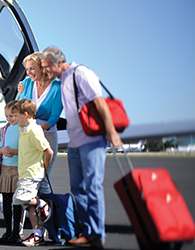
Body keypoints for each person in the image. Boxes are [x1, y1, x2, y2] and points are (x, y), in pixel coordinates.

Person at [40, 47, 122, 249]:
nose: (46, 71)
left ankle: (98, 236)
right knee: (77, 188)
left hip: (92, 141)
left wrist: (111, 132)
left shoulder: (81, 74)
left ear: (59, 63)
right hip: (75, 143)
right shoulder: (62, 80)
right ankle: (88, 231)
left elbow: (100, 103)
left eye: (47, 67)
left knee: (93, 186)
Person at [18, 52, 63, 195]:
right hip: (28, 135)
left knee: (43, 179)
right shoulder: (26, 83)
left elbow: (55, 115)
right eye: (27, 69)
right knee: (30, 178)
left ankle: (49, 213)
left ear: (42, 68)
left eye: (32, 68)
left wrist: (41, 128)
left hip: (47, 134)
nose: (29, 72)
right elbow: (22, 108)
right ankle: (33, 214)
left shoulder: (57, 88)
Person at [12, 99, 54, 247]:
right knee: (29, 207)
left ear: (26, 114)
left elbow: (49, 151)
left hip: (31, 174)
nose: (15, 119)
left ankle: (42, 204)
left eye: (17, 116)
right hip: (25, 173)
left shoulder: (35, 131)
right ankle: (37, 235)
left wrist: (45, 168)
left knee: (19, 199)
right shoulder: (24, 129)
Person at [0, 100, 23, 244]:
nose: (9, 119)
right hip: (6, 169)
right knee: (6, 202)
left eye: (12, 115)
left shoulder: (22, 129)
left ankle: (16, 233)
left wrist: (14, 152)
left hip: (18, 169)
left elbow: (26, 150)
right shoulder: (4, 129)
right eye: (7, 116)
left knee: (17, 202)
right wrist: (2, 150)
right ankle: (8, 231)